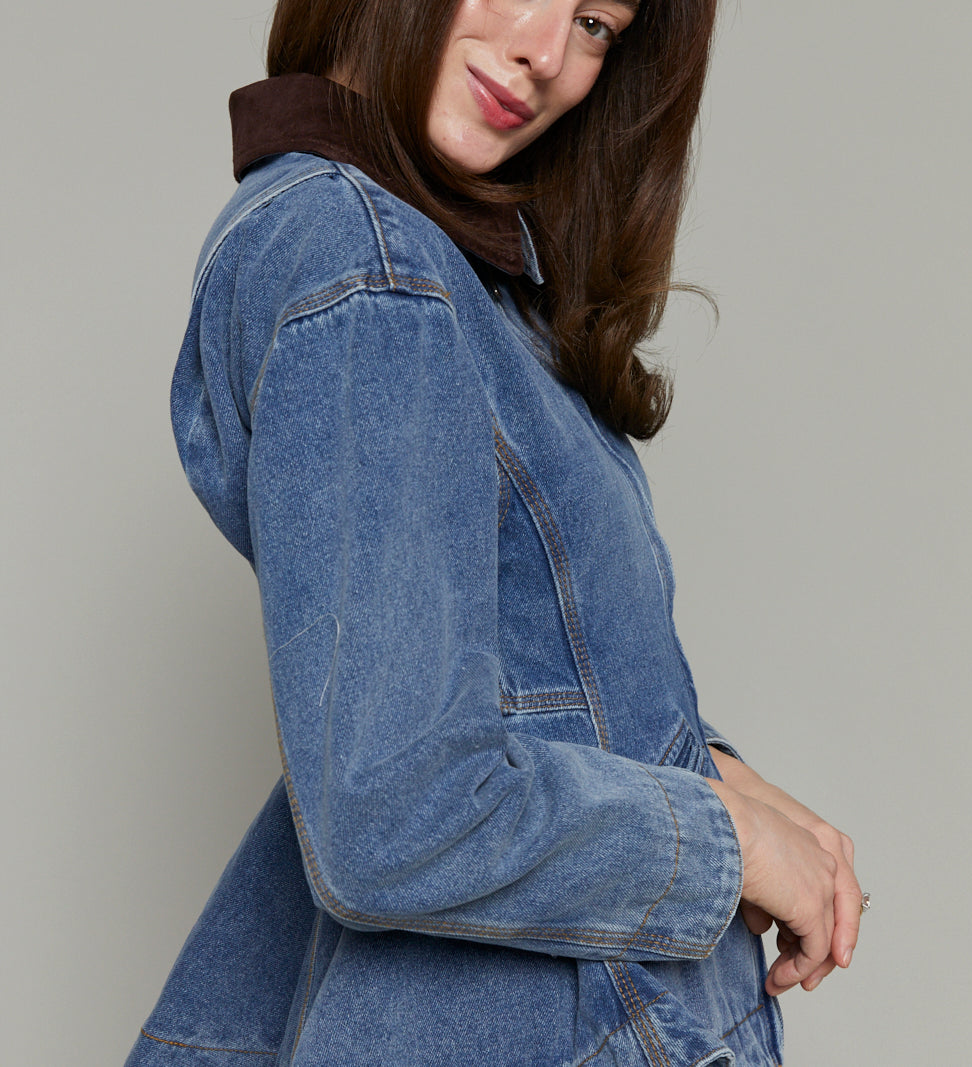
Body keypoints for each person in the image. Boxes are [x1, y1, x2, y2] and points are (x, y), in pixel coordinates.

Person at [127, 2, 864, 1064]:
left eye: (596, 23)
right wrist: (724, 842)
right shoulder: (364, 264)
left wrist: (704, 770)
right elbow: (392, 811)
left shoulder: (418, 254)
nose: (546, 53)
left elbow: (517, 669)